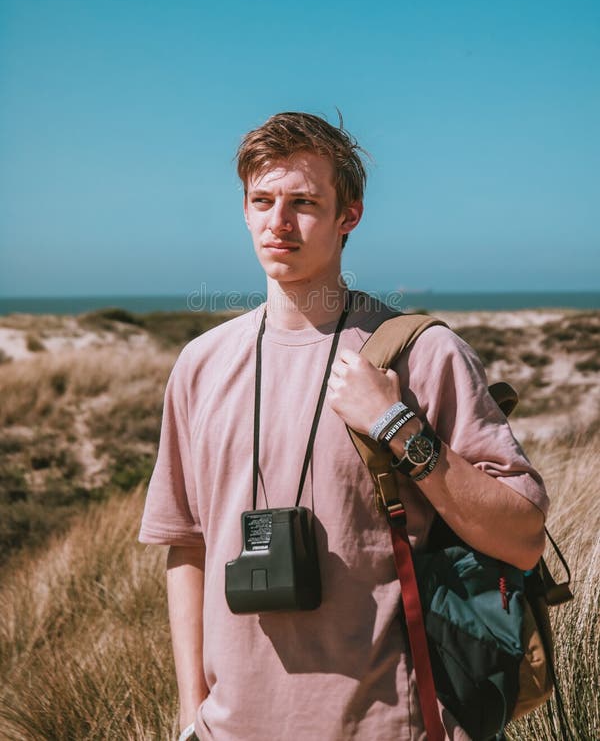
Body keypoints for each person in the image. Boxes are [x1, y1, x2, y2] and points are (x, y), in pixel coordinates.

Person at [139, 112, 548, 741]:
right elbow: (186, 545)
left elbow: (522, 537)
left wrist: (395, 422)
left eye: (304, 202)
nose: (279, 222)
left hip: (392, 725)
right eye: (262, 200)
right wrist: (191, 713)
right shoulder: (200, 365)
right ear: (244, 211)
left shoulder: (422, 353)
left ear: (348, 215)